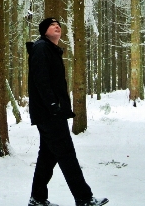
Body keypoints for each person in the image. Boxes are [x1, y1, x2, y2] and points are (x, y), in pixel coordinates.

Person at [26, 17, 108, 206]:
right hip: (50, 113)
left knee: (48, 156)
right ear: (44, 31)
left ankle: (37, 198)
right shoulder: (41, 48)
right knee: (66, 154)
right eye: (52, 25)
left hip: (52, 112)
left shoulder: (50, 50)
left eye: (58, 25)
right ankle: (84, 198)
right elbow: (41, 80)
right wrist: (53, 105)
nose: (57, 27)